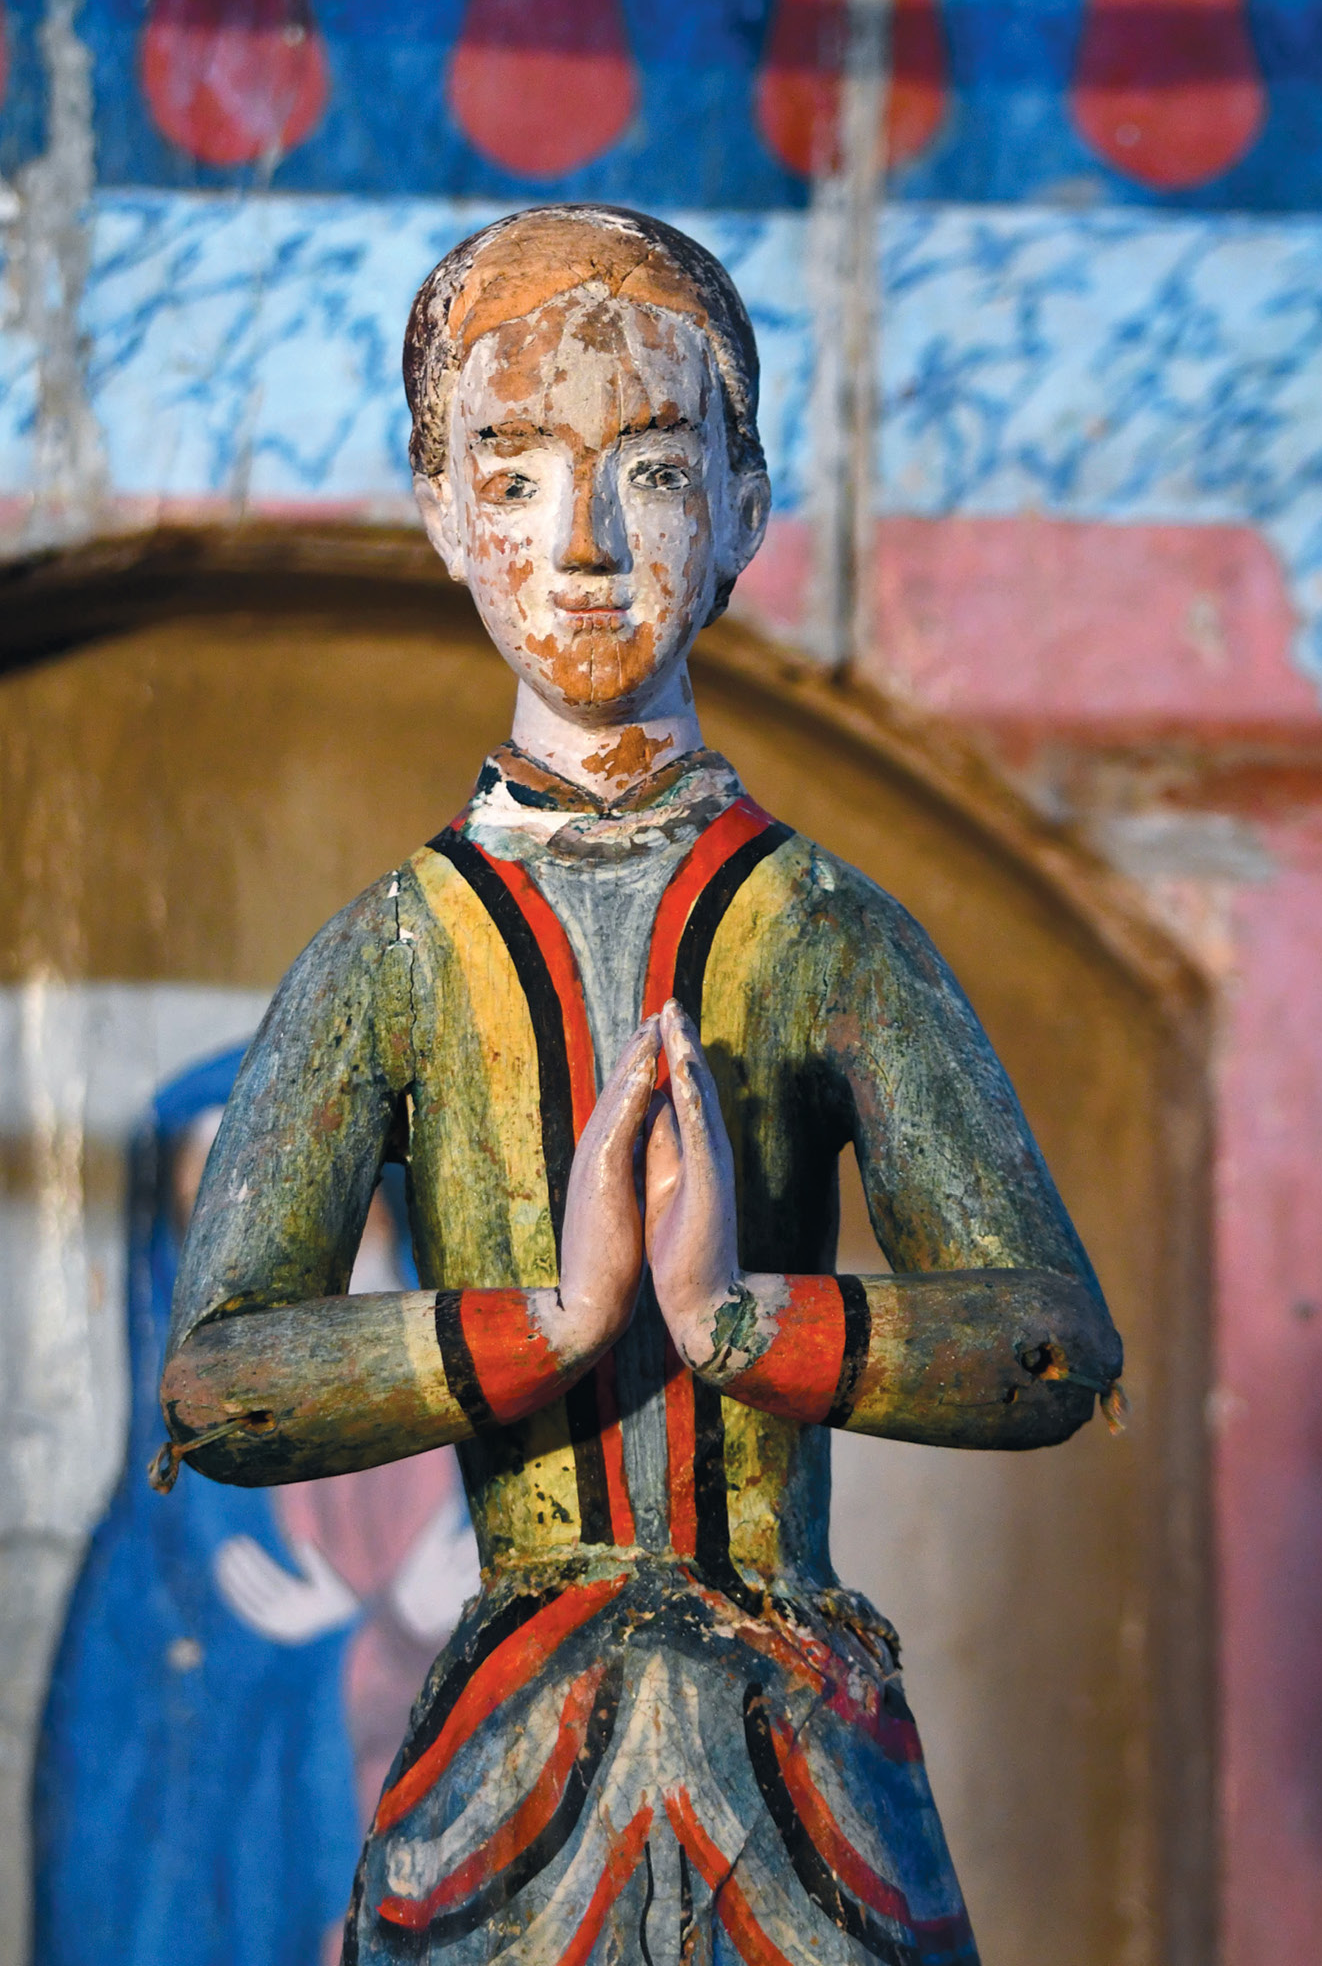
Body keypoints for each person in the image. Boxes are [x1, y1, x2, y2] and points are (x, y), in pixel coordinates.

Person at [158, 205, 1123, 1966]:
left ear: (746, 508)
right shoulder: (396, 954)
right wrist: (551, 1321)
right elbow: (221, 1385)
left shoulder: (826, 933)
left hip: (795, 1771)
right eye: (517, 475)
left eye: (656, 469)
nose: (586, 542)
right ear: (441, 513)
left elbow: (1052, 1342)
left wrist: (741, 1321)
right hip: (509, 1780)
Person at [34, 1048, 475, 1966]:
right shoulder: (152, 1552)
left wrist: (470, 1614)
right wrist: (297, 1653)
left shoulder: (475, 1440)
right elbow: (123, 1823)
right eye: (212, 1216)